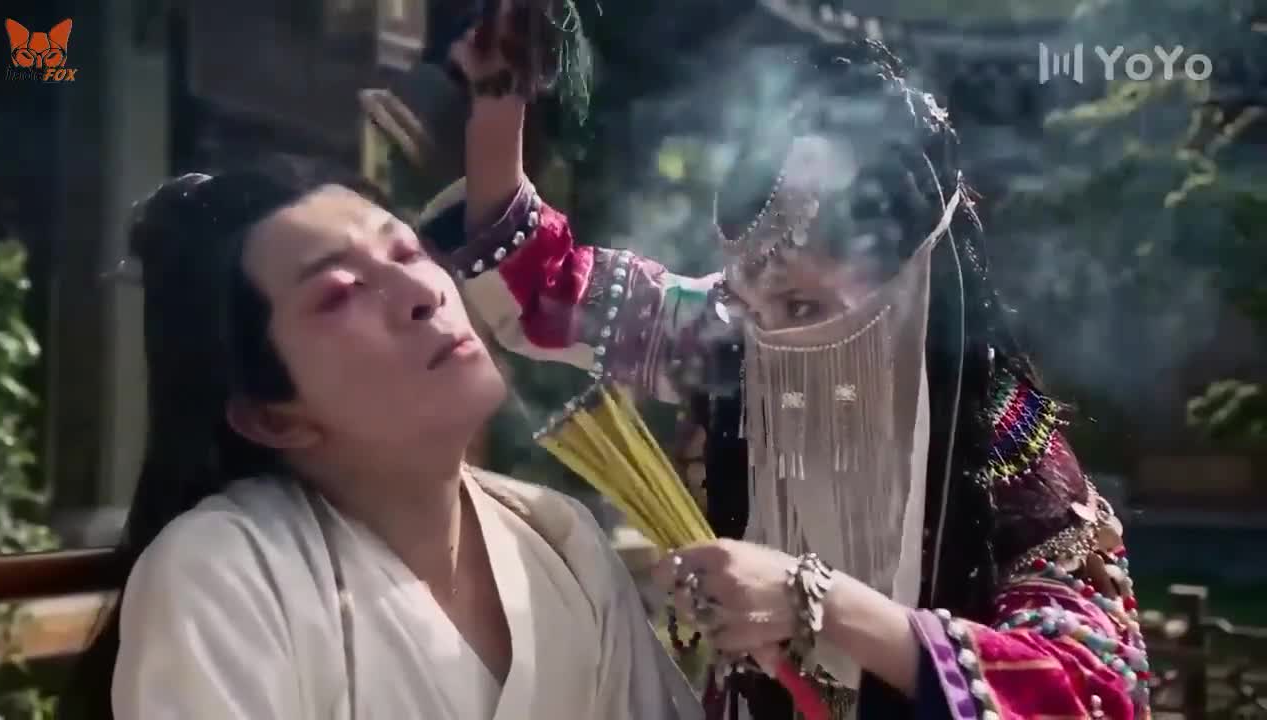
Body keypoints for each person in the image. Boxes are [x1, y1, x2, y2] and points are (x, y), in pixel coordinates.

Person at [397, 11, 1152, 720]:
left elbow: (1090, 688)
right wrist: (500, 101)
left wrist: (815, 602)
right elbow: (544, 289)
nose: (769, 337)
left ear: (910, 286)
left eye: (801, 305)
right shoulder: (734, 344)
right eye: (746, 299)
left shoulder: (1004, 446)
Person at [64, 158, 702, 720]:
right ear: (272, 417)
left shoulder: (561, 543)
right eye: (339, 294)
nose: (422, 293)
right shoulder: (224, 572)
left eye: (407, 254)